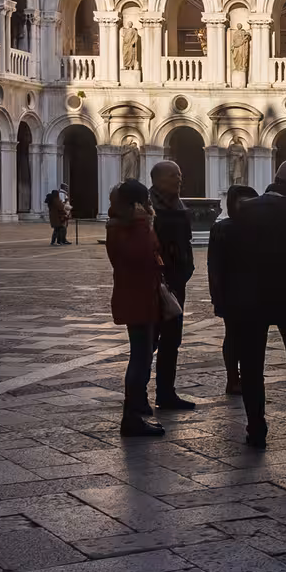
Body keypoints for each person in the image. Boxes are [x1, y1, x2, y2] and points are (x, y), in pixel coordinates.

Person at [208, 158, 286, 447]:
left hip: (249, 300)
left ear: (275, 178)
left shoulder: (244, 211)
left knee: (251, 365)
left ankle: (256, 428)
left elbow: (226, 256)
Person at [104, 180, 165, 438]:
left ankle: (137, 405)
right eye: (146, 201)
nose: (150, 206)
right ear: (137, 204)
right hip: (137, 298)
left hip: (140, 296)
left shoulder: (124, 226)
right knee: (140, 358)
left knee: (143, 353)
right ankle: (131, 418)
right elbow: (142, 255)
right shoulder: (128, 228)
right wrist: (143, 225)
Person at [148, 161, 196, 411]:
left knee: (171, 340)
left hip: (177, 283)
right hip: (154, 284)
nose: (178, 178)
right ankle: (137, 397)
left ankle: (166, 392)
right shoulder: (148, 208)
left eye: (179, 174)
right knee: (149, 341)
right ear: (156, 179)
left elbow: (184, 242)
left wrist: (187, 269)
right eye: (172, 175)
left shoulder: (178, 205)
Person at [212, 185, 258, 395]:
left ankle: (250, 375)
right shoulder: (222, 228)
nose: (246, 206)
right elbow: (214, 265)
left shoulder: (260, 227)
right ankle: (233, 376)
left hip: (256, 290)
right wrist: (217, 295)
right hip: (231, 291)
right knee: (233, 335)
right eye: (242, 201)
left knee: (253, 337)